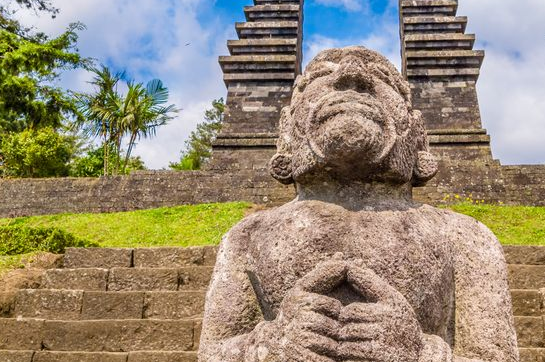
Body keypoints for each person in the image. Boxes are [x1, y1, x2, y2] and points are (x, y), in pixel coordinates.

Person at [199, 46, 519, 362]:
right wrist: (266, 346)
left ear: (418, 135)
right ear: (286, 130)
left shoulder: (464, 236)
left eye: (383, 78)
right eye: (320, 76)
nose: (352, 75)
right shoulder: (248, 236)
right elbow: (213, 352)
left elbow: (496, 355)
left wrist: (422, 352)